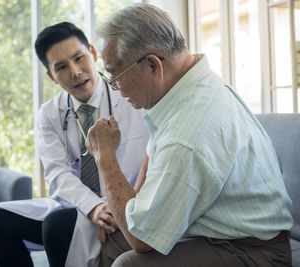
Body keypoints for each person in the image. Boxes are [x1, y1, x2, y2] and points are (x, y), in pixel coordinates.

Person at [85, 3, 293, 267]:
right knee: (111, 237)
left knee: (130, 263)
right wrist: (127, 213)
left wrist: (104, 157)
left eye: (115, 74)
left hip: (254, 252)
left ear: (152, 65)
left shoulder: (189, 133)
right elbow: (144, 189)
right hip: (216, 234)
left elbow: (141, 238)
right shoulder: (185, 87)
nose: (114, 86)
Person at [0, 22, 149, 267]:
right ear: (51, 76)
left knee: (57, 226)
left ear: (93, 54)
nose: (75, 71)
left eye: (79, 58)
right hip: (83, 204)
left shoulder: (128, 96)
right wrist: (94, 206)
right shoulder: (50, 113)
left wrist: (116, 207)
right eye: (62, 67)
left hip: (125, 202)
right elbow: (57, 173)